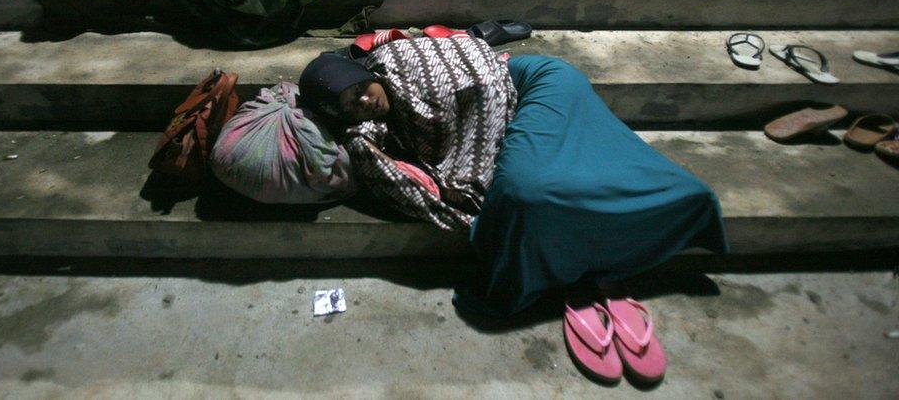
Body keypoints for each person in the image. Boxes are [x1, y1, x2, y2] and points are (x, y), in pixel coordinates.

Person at [299, 37, 728, 316]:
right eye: (351, 106)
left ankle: (684, 202)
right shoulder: (366, 131)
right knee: (541, 187)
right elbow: (387, 165)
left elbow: (481, 78)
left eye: (361, 89)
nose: (365, 103)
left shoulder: (398, 58)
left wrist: (467, 160)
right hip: (511, 118)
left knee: (522, 192)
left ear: (366, 74)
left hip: (534, 88)